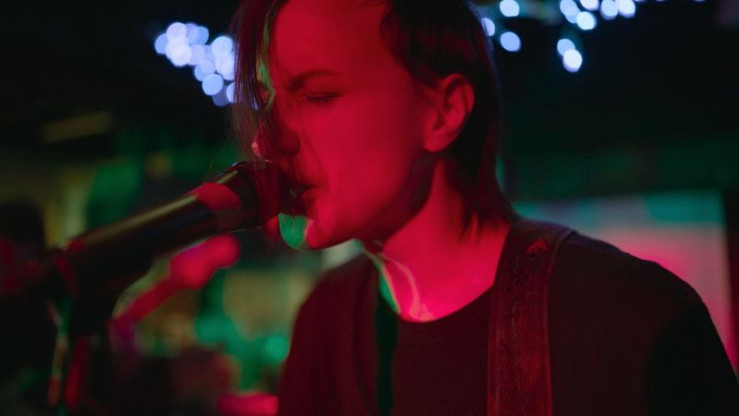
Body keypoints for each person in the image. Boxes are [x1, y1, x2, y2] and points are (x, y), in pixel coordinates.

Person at [231, 0, 739, 414]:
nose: (265, 143)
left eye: (318, 95)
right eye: (265, 101)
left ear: (444, 110)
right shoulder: (325, 318)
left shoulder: (630, 319)